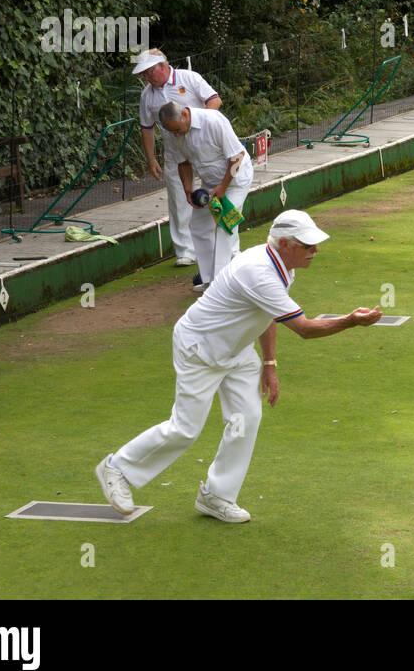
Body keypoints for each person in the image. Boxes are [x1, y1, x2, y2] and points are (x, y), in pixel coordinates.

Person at [95, 210, 383, 522]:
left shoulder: (282, 265)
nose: (315, 250)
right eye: (307, 245)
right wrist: (351, 321)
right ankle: (117, 468)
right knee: (185, 429)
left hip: (238, 349)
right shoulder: (258, 271)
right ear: (285, 243)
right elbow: (305, 329)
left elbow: (267, 314)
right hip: (200, 349)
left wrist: (269, 364)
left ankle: (217, 495)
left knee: (246, 417)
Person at [134, 50, 222, 275]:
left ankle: (221, 240)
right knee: (178, 198)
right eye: (144, 75)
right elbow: (147, 128)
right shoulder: (147, 95)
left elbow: (214, 100)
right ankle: (185, 251)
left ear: (162, 66)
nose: (147, 78)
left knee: (217, 190)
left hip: (204, 147)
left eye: (149, 72)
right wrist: (151, 158)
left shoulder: (189, 78)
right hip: (175, 153)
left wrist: (200, 123)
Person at [158, 102, 255, 289]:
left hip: (235, 180)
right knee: (199, 226)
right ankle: (210, 278)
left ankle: (222, 286)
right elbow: (183, 163)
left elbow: (237, 156)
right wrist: (188, 189)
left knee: (224, 224)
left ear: (185, 114)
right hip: (210, 184)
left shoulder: (213, 121)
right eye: (172, 132)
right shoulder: (174, 132)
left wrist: (223, 186)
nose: (176, 135)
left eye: (177, 130)